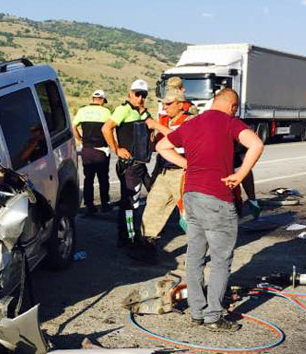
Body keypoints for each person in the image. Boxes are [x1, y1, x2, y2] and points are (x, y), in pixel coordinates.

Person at [156, 89, 264, 331]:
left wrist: (188, 164)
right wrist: (240, 174)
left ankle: (196, 312)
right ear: (232, 105)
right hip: (217, 198)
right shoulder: (229, 122)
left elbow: (162, 146)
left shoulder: (192, 123)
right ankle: (213, 316)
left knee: (195, 256)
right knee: (220, 259)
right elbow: (256, 144)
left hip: (192, 196)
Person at [102, 79, 169, 249]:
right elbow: (106, 128)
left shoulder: (142, 112)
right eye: (137, 94)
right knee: (131, 203)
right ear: (130, 93)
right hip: (130, 166)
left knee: (155, 195)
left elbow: (152, 128)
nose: (140, 98)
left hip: (141, 164)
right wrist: (116, 149)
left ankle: (142, 232)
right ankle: (128, 238)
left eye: (143, 95)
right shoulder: (123, 110)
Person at [140, 89, 192, 263]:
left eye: (169, 103)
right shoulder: (164, 120)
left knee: (188, 213)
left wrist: (158, 127)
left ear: (180, 104)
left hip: (181, 171)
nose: (165, 107)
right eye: (164, 103)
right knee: (153, 207)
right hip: (164, 171)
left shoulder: (189, 120)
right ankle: (148, 247)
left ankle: (198, 250)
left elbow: (183, 140)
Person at [72, 90, 113, 215]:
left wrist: (80, 139)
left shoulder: (82, 111)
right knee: (103, 178)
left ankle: (89, 205)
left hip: (87, 149)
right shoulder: (106, 112)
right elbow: (109, 129)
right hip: (101, 150)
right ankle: (105, 204)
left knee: (88, 179)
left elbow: (73, 126)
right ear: (102, 100)